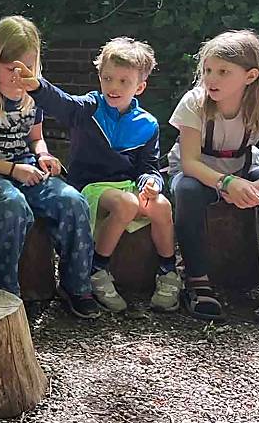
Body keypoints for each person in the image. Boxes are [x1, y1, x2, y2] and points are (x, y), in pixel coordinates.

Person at [17, 37, 179, 313]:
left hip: (127, 186)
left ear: (139, 86)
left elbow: (149, 167)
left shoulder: (147, 124)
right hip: (90, 187)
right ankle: (97, 270)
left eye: (123, 82)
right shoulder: (89, 108)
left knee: (161, 205)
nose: (113, 87)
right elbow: (62, 103)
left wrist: (152, 183)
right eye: (108, 78)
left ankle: (169, 273)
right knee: (127, 204)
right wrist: (37, 86)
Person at [0, 16, 99, 318]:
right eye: (11, 70)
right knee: (13, 205)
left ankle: (76, 285)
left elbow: (36, 138)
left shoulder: (35, 94)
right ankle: (4, 292)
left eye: (26, 69)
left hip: (27, 166)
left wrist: (44, 154)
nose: (18, 77)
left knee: (72, 201)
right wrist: (11, 170)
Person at [169, 30, 259, 324]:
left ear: (250, 76)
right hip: (201, 176)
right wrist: (226, 184)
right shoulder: (194, 103)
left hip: (244, 173)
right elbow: (190, 162)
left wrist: (253, 187)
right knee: (186, 190)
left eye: (223, 72)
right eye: (208, 70)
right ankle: (197, 282)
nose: (212, 79)